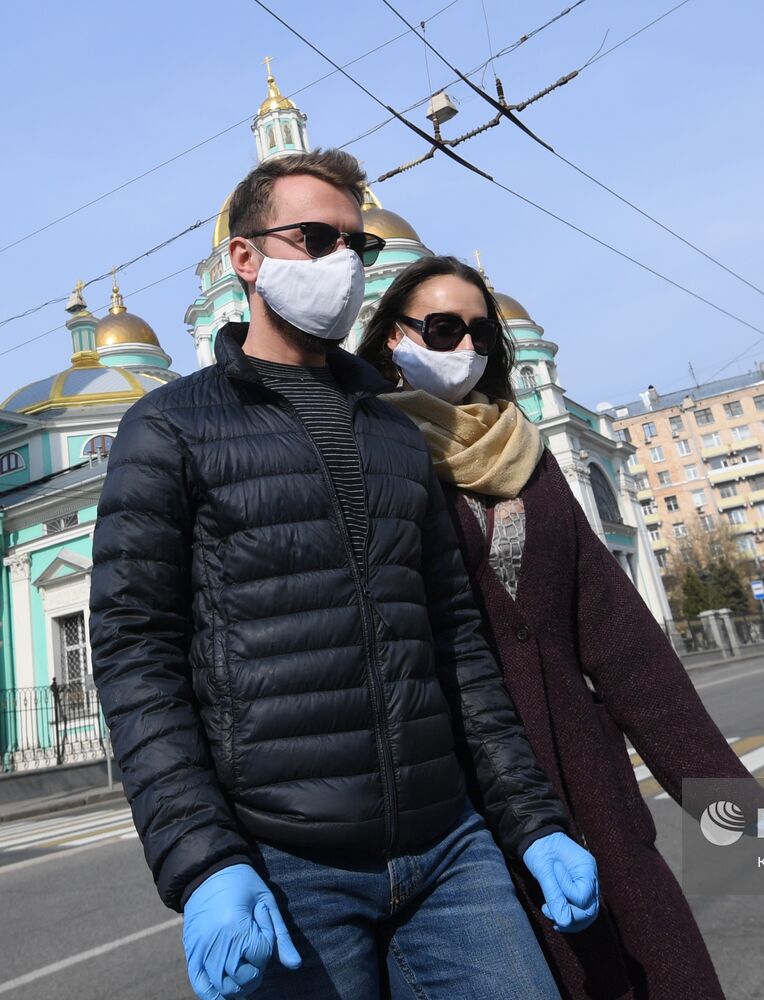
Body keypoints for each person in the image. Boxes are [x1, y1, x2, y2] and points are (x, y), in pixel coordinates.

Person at [89, 151, 597, 1000]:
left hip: (450, 851)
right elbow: (136, 654)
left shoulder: (399, 439)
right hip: (288, 866)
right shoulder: (170, 428)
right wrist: (203, 858)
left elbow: (456, 643)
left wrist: (533, 821)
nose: (342, 266)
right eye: (315, 238)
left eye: (355, 247)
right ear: (243, 260)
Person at [355, 255, 764, 1000]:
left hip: (588, 773)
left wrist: (716, 790)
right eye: (442, 329)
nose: (464, 349)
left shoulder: (523, 453)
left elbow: (615, 632)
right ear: (391, 337)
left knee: (658, 965)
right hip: (466, 798)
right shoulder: (367, 455)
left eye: (480, 334)